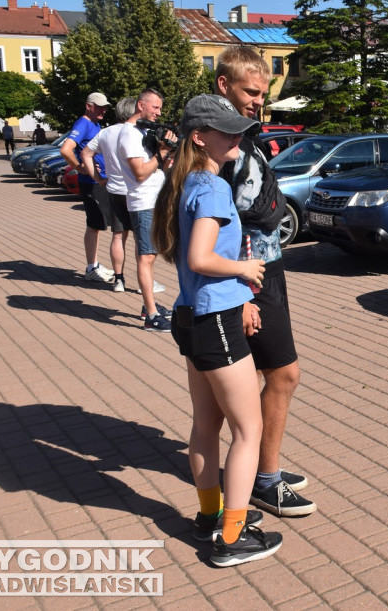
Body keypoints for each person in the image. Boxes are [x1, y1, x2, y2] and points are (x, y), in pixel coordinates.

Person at [151, 93, 281, 567]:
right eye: (227, 131)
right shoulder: (210, 187)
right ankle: (231, 536)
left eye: (238, 130)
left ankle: (210, 518)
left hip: (192, 319)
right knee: (250, 430)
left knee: (206, 426)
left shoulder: (185, 181)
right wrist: (246, 269)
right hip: (213, 323)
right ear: (199, 137)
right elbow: (200, 258)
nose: (237, 137)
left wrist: (237, 294)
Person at [214, 47, 315, 517]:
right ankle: (264, 480)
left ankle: (255, 466)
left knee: (260, 375)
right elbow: (214, 225)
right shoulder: (220, 146)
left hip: (266, 268)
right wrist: (239, 294)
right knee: (284, 375)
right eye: (250, 92)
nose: (258, 100)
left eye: (262, 92)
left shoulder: (243, 137)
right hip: (248, 276)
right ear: (223, 86)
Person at [116, 89, 172, 331]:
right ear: (141, 105)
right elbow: (140, 172)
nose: (159, 113)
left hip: (153, 200)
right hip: (143, 202)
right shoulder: (128, 134)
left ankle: (148, 305)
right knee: (146, 258)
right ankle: (150, 315)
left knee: (151, 256)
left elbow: (157, 166)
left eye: (160, 108)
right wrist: (161, 153)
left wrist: (166, 149)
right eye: (155, 108)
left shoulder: (142, 131)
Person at [80, 97, 137, 293]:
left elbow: (85, 153)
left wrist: (98, 178)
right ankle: (144, 280)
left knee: (118, 235)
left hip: (114, 189)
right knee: (141, 238)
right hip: (135, 192)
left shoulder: (105, 132)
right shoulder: (135, 132)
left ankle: (118, 279)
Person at [60, 92, 115, 283]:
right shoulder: (83, 123)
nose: (103, 110)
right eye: (99, 106)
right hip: (91, 183)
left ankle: (95, 264)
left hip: (98, 181)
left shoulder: (94, 123)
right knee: (94, 225)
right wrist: (79, 168)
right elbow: (65, 149)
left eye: (105, 106)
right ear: (88, 106)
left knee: (98, 225)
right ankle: (91, 267)